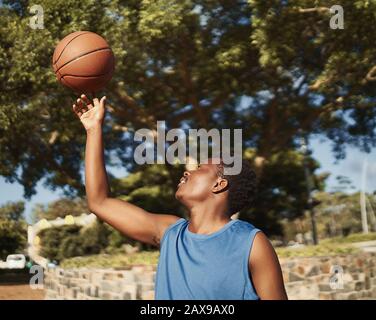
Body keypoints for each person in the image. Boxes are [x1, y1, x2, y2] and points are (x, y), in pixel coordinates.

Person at [72, 94, 288, 300]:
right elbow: (99, 202)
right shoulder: (170, 232)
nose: (188, 171)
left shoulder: (251, 243)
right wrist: (93, 130)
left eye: (201, 168)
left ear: (219, 184)